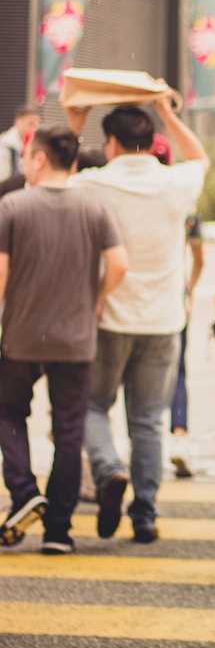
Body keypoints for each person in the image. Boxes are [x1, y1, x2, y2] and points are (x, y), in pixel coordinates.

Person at [65, 98, 209, 544]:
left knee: (91, 405)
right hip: (164, 320)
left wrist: (75, 116)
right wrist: (168, 113)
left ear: (111, 142)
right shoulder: (174, 183)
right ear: (150, 141)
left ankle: (109, 469)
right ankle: (144, 513)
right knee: (147, 421)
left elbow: (58, 170)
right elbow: (200, 157)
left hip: (108, 317)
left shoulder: (94, 184)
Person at [0, 126, 127, 553]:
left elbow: (0, 277)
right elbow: (120, 264)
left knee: (9, 412)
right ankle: (58, 530)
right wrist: (96, 296)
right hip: (75, 339)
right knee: (69, 430)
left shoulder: (12, 206)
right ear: (72, 162)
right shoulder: (94, 208)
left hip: (20, 336)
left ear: (38, 159)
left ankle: (23, 492)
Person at [150, 134, 204, 479]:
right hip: (173, 297)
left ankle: (143, 444)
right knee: (177, 371)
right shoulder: (185, 204)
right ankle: (179, 438)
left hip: (133, 300)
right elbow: (198, 258)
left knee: (132, 380)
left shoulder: (129, 197)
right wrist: (188, 290)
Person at [0, 106, 40, 181]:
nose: (34, 129)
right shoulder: (6, 147)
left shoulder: (31, 143)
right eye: (30, 124)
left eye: (36, 125)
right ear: (17, 122)